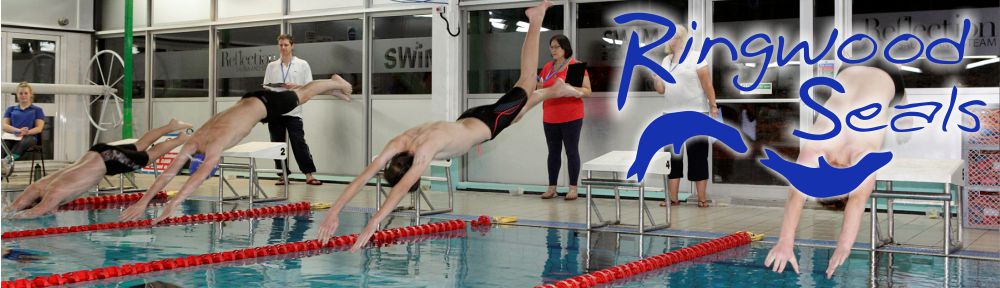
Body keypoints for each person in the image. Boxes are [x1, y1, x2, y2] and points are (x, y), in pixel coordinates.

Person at [316, 0, 576, 251]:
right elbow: (365, 175)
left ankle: (536, 17)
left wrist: (375, 221)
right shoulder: (401, 141)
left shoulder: (425, 150)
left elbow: (402, 186)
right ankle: (554, 91)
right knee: (518, 113)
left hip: (488, 121)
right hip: (472, 118)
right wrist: (334, 211)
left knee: (527, 79)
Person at [119, 75, 353, 224]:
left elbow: (196, 178)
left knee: (302, 94)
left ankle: (335, 81)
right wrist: (143, 201)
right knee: (302, 95)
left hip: (264, 104)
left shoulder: (212, 145)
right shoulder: (195, 141)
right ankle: (329, 89)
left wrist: (174, 202)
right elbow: (170, 172)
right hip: (250, 102)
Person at [764, 61, 907, 279]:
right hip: (881, 74)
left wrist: (786, 241)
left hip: (852, 69)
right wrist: (843, 246)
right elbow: (857, 202)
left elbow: (796, 196)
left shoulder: (816, 148)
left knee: (903, 126)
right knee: (904, 126)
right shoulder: (861, 157)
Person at [3, 119, 192, 218]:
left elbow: (35, 212)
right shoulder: (38, 186)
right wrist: (10, 212)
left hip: (107, 160)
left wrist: (12, 219)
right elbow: (15, 207)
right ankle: (171, 125)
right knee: (141, 144)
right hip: (96, 152)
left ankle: (179, 140)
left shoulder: (54, 193)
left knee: (148, 157)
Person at [652, 25, 719, 208]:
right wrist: (656, 78)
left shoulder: (696, 58)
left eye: (675, 37)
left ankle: (702, 199)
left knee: (698, 157)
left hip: (695, 116)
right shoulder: (666, 61)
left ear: (683, 39)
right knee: (673, 158)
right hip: (671, 117)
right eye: (669, 38)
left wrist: (713, 106)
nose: (671, 41)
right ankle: (673, 198)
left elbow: (707, 85)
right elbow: (661, 90)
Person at [538, 34, 592, 201]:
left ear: (565, 48)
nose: (553, 50)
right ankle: (552, 187)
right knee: (553, 152)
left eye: (556, 47)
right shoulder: (548, 67)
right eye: (551, 47)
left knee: (571, 151)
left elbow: (587, 91)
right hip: (550, 116)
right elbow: (540, 87)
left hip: (571, 116)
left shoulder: (575, 65)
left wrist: (572, 90)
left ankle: (573, 188)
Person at [263, 34, 321, 186]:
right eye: (281, 45)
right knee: (276, 145)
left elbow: (309, 87)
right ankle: (283, 175)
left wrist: (293, 86)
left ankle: (308, 174)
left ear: (292, 46)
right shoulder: (272, 66)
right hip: (275, 111)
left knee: (299, 143)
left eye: (286, 45)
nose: (283, 48)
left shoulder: (302, 64)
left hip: (293, 110)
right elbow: (266, 86)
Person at [2, 82, 46, 162]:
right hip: (13, 136)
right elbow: (4, 126)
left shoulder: (37, 110)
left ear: (30, 94)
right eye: (20, 93)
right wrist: (18, 131)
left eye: (26, 93)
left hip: (29, 137)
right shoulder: (11, 109)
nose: (23, 95)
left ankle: (7, 161)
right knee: (3, 145)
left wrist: (26, 132)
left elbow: (39, 128)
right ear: (17, 95)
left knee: (23, 142)